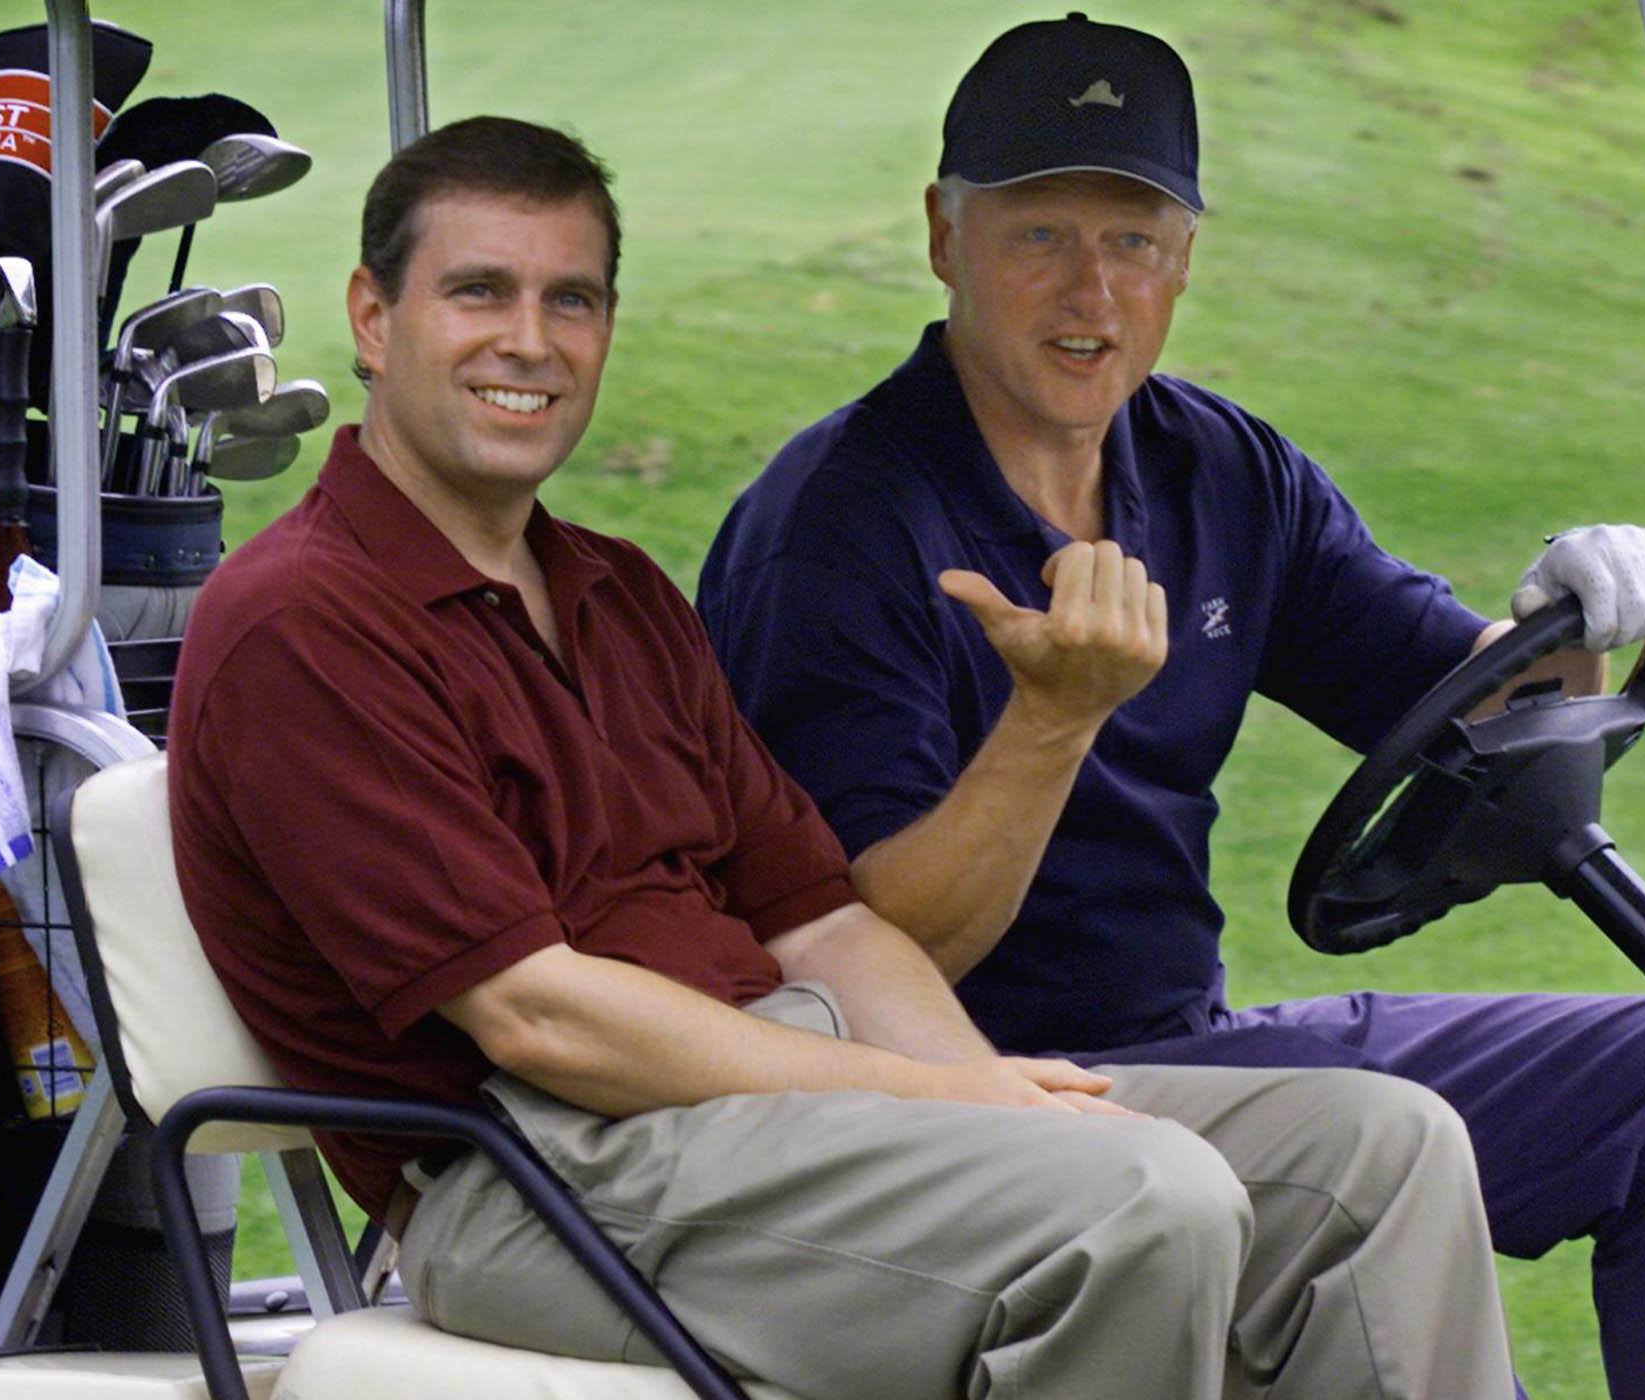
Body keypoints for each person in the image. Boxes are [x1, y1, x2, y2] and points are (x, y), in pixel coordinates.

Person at [168, 114, 1519, 1399]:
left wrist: (984, 1096)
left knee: (1382, 1151)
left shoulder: (617, 596)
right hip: (537, 1170)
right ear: (370, 314)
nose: (528, 340)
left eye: (571, 300)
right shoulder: (307, 622)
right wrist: (942, 1097)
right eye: (479, 292)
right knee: (1137, 1203)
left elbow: (820, 922)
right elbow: (540, 1018)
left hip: (772, 1112)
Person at [696, 16, 1645, 1400]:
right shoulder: (844, 526)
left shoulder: (1219, 469)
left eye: (1137, 240)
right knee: (1388, 1141)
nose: (1091, 292)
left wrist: (1571, 628)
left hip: (1196, 1051)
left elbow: (1461, 701)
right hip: (973, 1110)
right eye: (1040, 234)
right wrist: (1053, 724)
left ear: (1186, 259)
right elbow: (862, 955)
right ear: (944, 236)